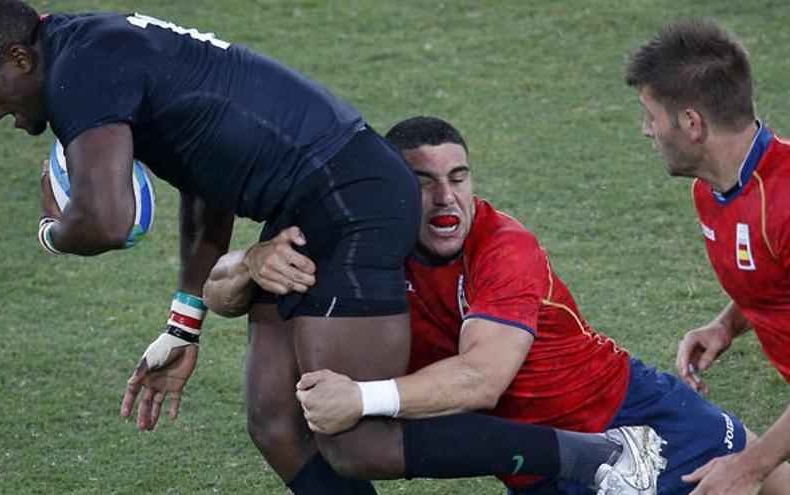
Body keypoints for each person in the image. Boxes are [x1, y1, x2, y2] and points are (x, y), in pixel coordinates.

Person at [0, 2, 658, 494]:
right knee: (275, 420)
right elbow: (203, 180)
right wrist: (183, 321)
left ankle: (600, 458)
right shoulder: (89, 48)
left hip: (349, 195)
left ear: (18, 58)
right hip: (307, 202)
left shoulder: (80, 73)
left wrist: (50, 229)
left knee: (352, 436)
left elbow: (103, 219)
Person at [215, 116, 789, 494]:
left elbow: (481, 381)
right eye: (424, 182)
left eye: (459, 178)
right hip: (539, 466)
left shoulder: (503, 247)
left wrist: (361, 398)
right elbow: (222, 292)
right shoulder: (360, 243)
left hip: (632, 425)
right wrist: (249, 264)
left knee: (765, 483)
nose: (447, 198)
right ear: (389, 188)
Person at [625, 19, 790, 495]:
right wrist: (728, 323)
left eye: (652, 116)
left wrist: (749, 466)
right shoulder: (714, 189)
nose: (646, 131)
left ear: (692, 124)